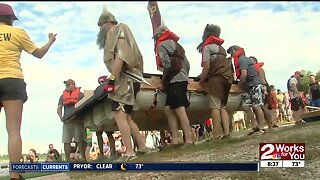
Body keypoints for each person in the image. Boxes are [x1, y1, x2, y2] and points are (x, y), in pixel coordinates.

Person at [0, 3, 57, 179]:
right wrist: (50, 41)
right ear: (11, 19)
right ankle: (15, 175)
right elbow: (38, 54)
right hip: (12, 80)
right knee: (14, 131)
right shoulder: (18, 33)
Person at [96, 7, 152, 162]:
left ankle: (129, 152)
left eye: (100, 27)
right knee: (126, 116)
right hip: (126, 78)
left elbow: (122, 55)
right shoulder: (115, 33)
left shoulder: (119, 29)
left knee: (119, 113)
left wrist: (112, 78)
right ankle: (142, 147)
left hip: (125, 78)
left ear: (107, 23)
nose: (99, 31)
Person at [152, 24, 194, 148]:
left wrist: (163, 81)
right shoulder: (178, 46)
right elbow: (187, 64)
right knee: (168, 109)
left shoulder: (162, 45)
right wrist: (185, 75)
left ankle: (189, 140)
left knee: (180, 110)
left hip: (175, 80)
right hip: (182, 78)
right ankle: (175, 139)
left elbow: (166, 64)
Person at [197, 24, 233, 139]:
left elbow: (206, 67)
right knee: (222, 107)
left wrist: (201, 82)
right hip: (227, 79)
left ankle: (216, 134)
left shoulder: (207, 48)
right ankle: (226, 133)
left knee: (215, 107)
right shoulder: (221, 49)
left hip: (216, 79)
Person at [227, 45, 266, 135]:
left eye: (231, 52)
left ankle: (261, 127)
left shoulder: (242, 59)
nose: (231, 54)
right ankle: (254, 126)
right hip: (248, 86)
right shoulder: (240, 59)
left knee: (257, 106)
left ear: (235, 50)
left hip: (255, 84)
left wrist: (239, 84)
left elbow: (244, 74)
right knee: (245, 106)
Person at [57, 79, 86, 162]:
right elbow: (59, 107)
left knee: (80, 140)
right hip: (67, 121)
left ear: (73, 84)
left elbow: (85, 106)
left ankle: (83, 158)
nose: (66, 87)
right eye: (66, 85)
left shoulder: (81, 95)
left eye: (68, 85)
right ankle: (67, 160)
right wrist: (60, 116)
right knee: (66, 141)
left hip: (78, 121)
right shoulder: (62, 96)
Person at [249, 56, 277, 129]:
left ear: (255, 61)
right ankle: (269, 125)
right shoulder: (254, 69)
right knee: (262, 107)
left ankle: (268, 125)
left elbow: (262, 79)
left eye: (250, 60)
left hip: (262, 86)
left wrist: (264, 89)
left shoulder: (259, 69)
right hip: (261, 86)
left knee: (264, 107)